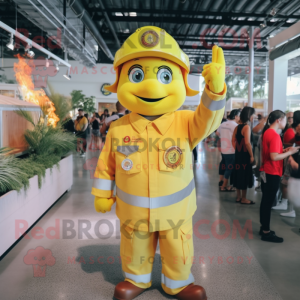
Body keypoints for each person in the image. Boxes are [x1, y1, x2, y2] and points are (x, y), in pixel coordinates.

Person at [92, 25, 227, 300]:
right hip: (133, 212)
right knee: (134, 247)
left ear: (182, 81)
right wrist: (102, 193)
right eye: (137, 75)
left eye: (166, 76)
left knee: (177, 247)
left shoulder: (186, 122)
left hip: (176, 211)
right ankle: (136, 280)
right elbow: (107, 165)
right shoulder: (118, 128)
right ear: (120, 82)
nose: (151, 86)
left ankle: (178, 283)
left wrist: (214, 91)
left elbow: (209, 119)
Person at [259, 110, 299, 243]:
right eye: (285, 119)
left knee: (265, 201)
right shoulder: (275, 135)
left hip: (266, 171)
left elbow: (273, 152)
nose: (287, 122)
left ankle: (263, 227)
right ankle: (266, 232)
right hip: (272, 172)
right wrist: (290, 153)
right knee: (268, 202)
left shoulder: (267, 132)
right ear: (279, 120)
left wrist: (284, 150)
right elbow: (274, 156)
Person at [272, 110, 300, 217]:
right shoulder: (293, 130)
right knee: (286, 181)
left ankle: (286, 205)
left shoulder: (293, 130)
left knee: (286, 182)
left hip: (293, 158)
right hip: (292, 157)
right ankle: (287, 206)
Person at [232, 107, 255, 204]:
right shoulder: (247, 127)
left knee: (238, 174)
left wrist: (238, 150)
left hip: (238, 154)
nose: (254, 117)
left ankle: (238, 197)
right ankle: (244, 198)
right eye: (253, 115)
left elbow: (233, 141)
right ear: (249, 116)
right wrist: (252, 156)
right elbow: (247, 143)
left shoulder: (237, 127)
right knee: (244, 175)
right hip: (245, 155)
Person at [217, 109, 240, 192]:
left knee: (224, 166)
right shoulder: (235, 126)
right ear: (236, 116)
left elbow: (217, 133)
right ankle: (223, 186)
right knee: (229, 168)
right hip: (232, 150)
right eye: (239, 116)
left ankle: (221, 182)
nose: (239, 118)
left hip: (224, 150)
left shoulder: (222, 124)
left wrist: (224, 137)